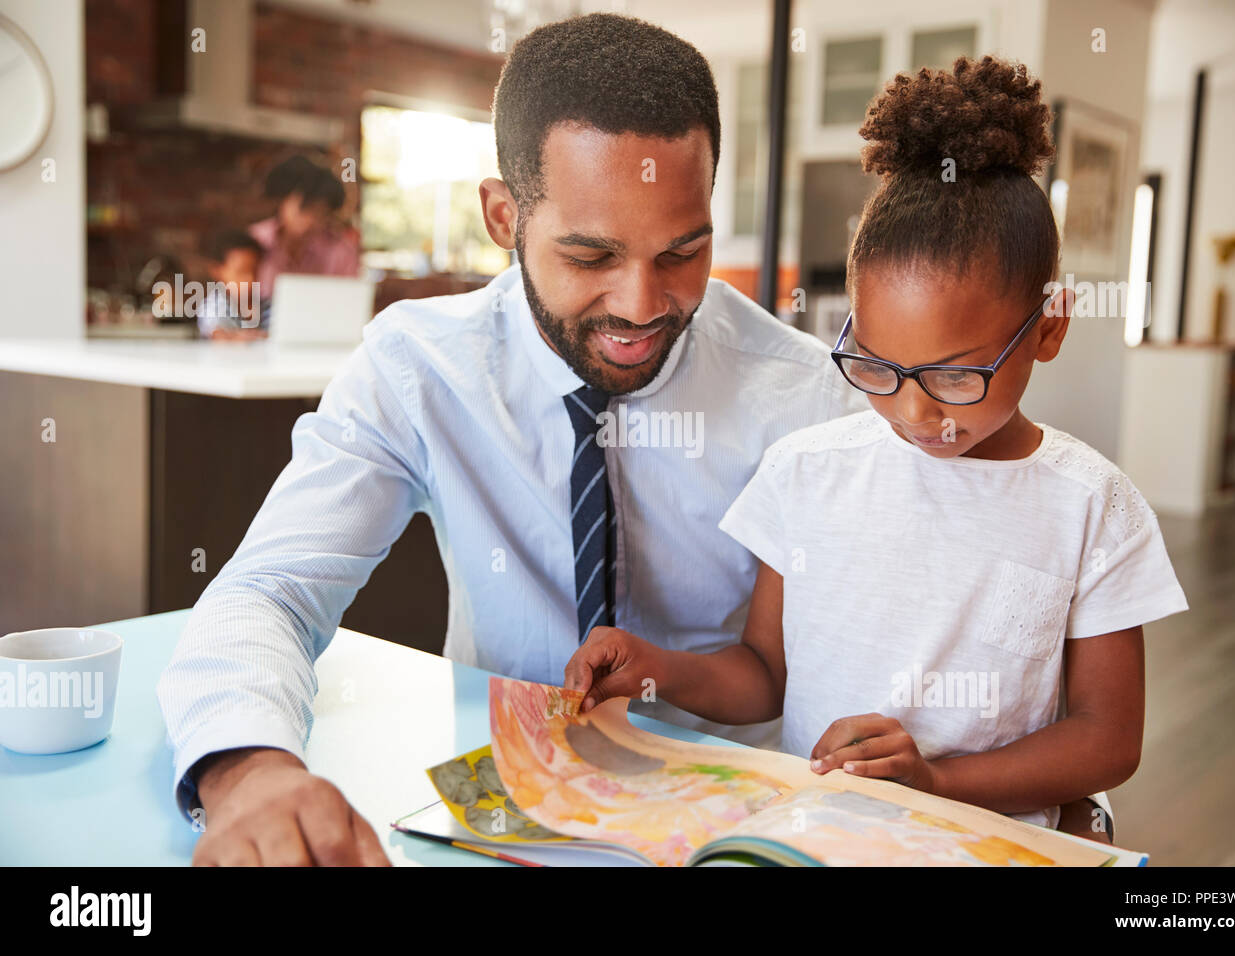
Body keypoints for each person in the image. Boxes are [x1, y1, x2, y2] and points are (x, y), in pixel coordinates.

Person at [156, 13, 867, 866]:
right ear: (502, 215)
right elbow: (268, 591)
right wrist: (249, 771)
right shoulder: (419, 366)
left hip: (738, 830)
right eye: (590, 254)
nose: (642, 306)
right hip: (495, 820)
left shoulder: (807, 395)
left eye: (683, 252)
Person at [564, 56, 1189, 843]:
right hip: (815, 841)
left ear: (1051, 326)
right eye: (878, 367)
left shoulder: (1093, 505)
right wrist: (650, 663)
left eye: (959, 375)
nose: (916, 409)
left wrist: (935, 783)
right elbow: (765, 677)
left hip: (987, 843)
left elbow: (1106, 739)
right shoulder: (805, 471)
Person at [248, 155, 359, 299]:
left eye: (321, 213)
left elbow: (349, 304)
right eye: (306, 208)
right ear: (283, 200)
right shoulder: (254, 241)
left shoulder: (340, 252)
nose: (311, 221)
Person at [196, 229, 270, 341]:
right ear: (216, 271)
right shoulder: (213, 306)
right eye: (242, 272)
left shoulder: (267, 305)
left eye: (255, 271)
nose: (250, 279)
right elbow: (220, 336)